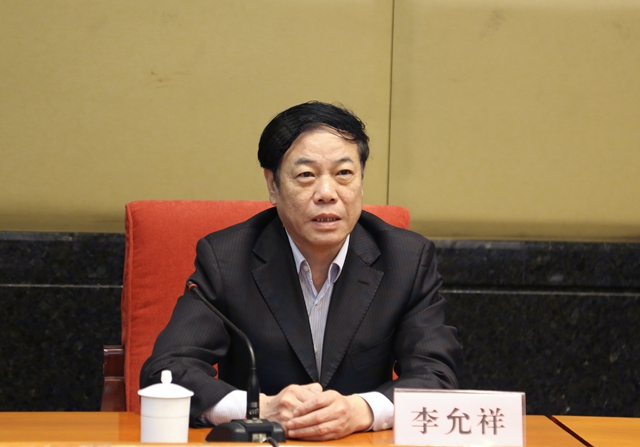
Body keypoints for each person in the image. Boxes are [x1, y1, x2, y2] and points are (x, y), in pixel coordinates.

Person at [140, 101, 461, 440]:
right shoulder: (226, 259)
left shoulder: (406, 259)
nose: (327, 194)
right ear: (273, 185)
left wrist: (362, 410)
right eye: (306, 175)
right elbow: (168, 370)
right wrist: (259, 409)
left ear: (361, 180)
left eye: (344, 174)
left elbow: (437, 374)